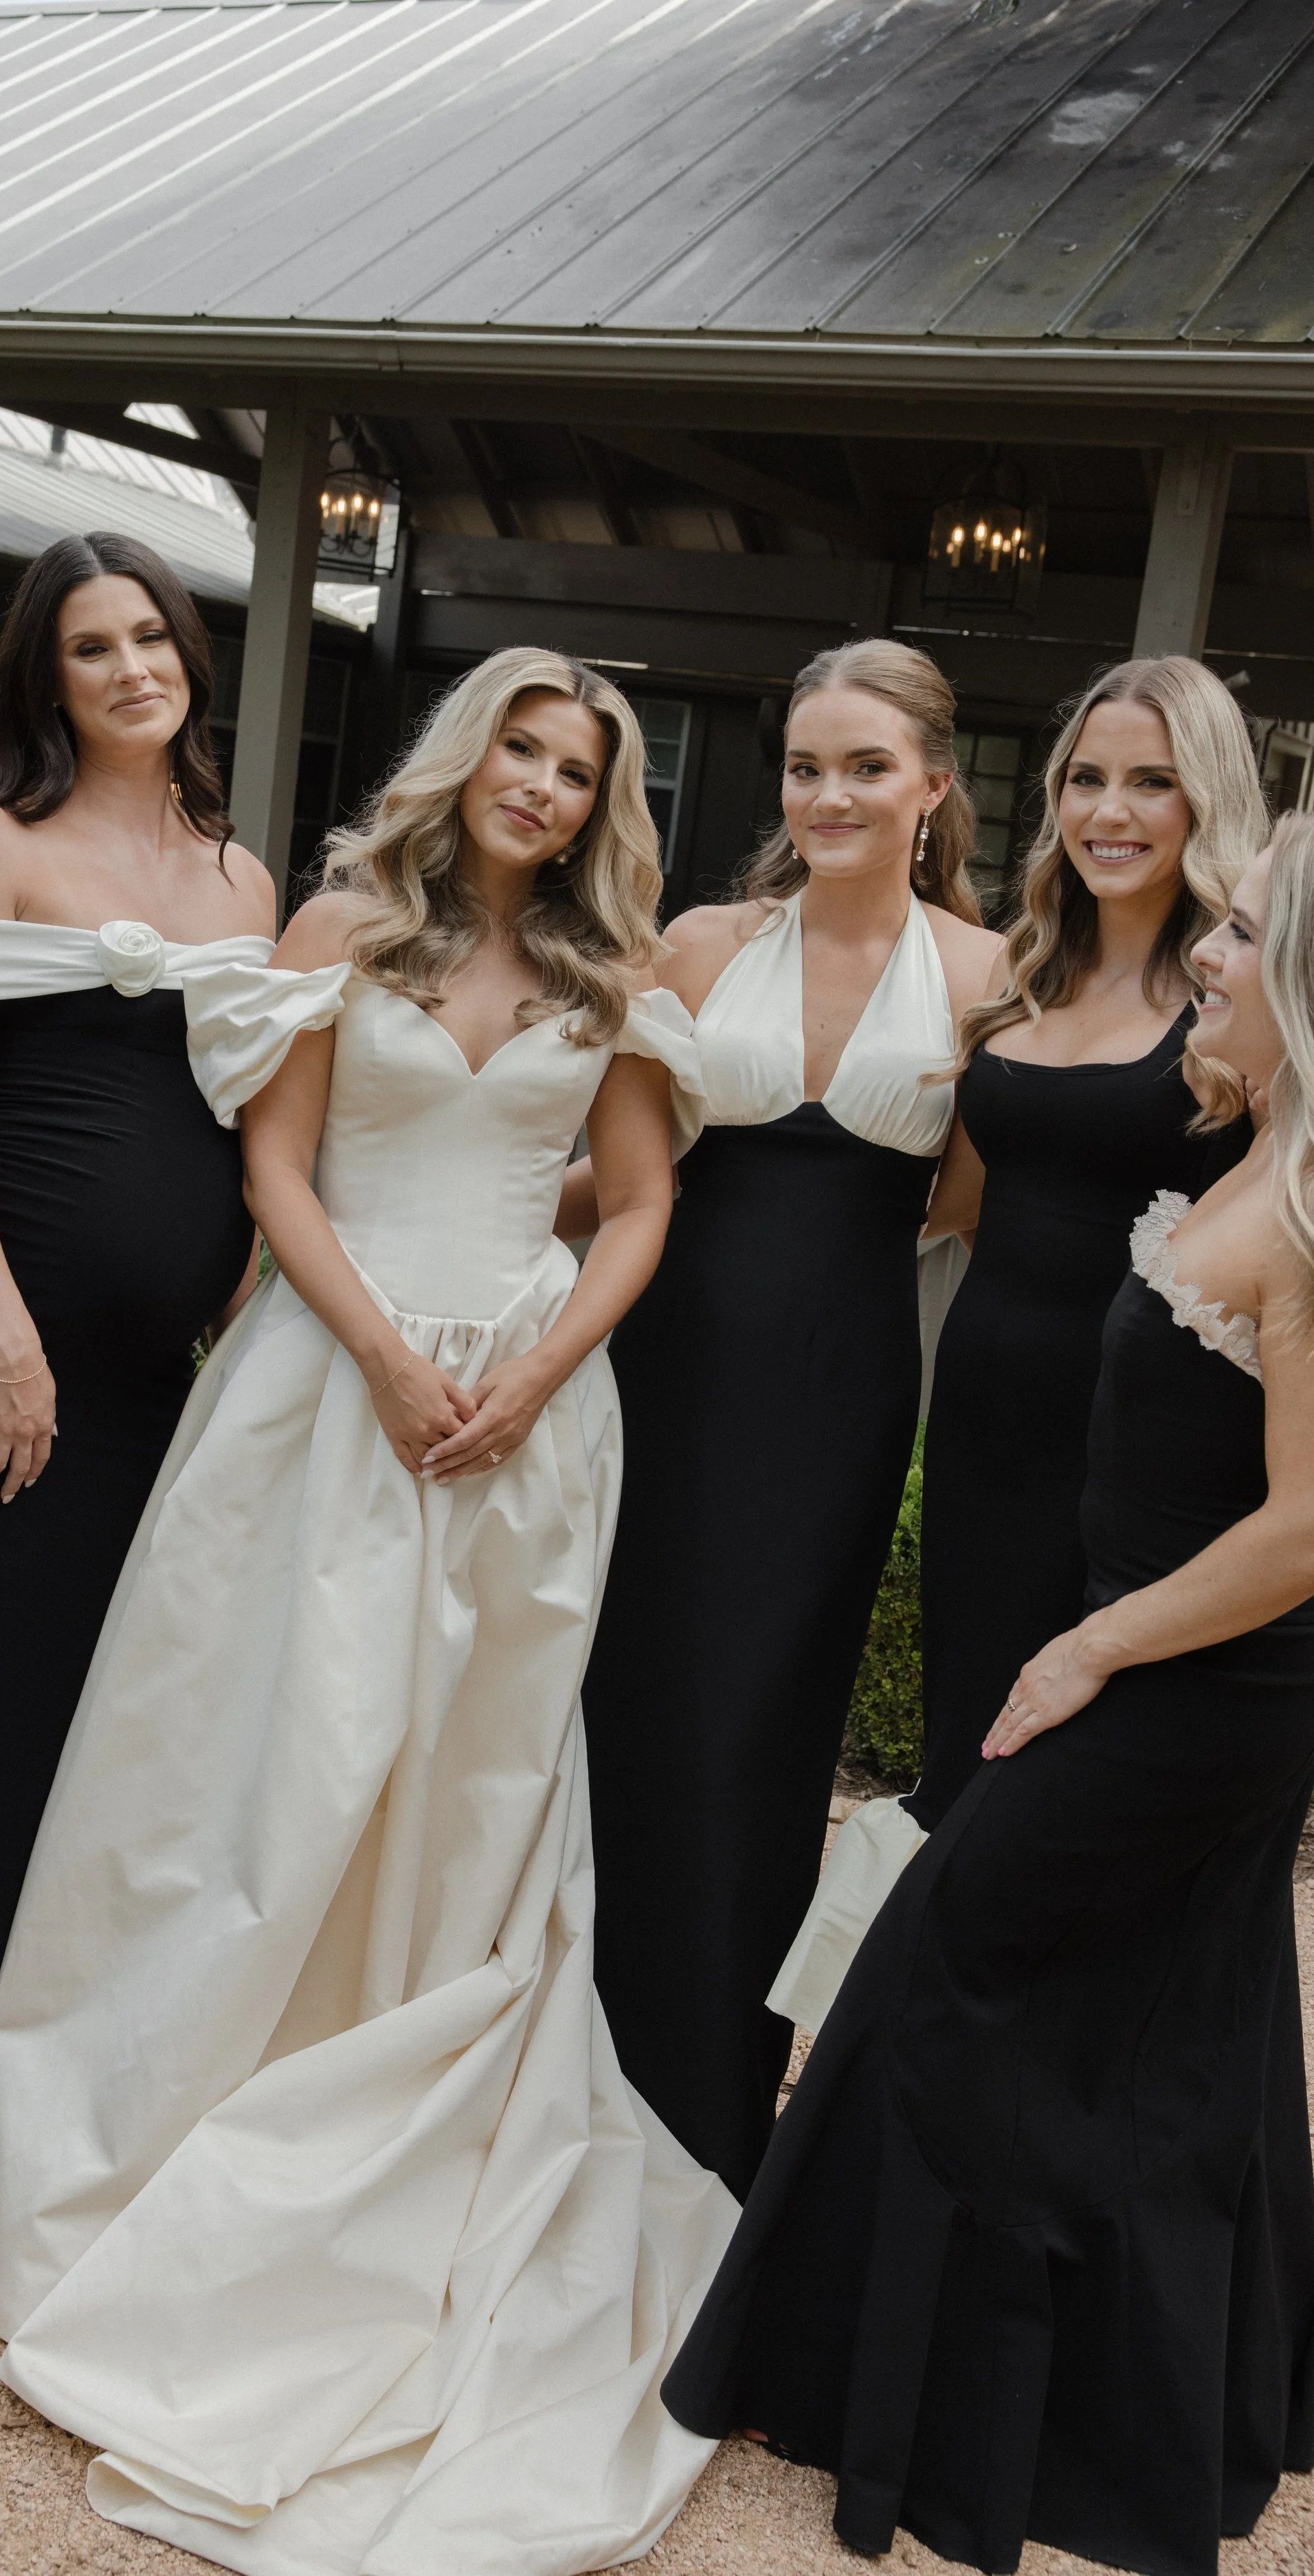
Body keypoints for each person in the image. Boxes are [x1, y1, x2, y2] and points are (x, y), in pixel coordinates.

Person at [0, 647, 735, 2576]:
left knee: (462, 1771)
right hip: (324, 1390)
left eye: (578, 768)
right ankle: (182, 2101)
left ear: (607, 803)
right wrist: (379, 1357)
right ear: (470, 753)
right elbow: (275, 1164)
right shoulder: (342, 917)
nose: (541, 785)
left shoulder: (618, 978)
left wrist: (523, 1381)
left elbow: (638, 1205)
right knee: (263, 1750)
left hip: (523, 1418)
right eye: (520, 747)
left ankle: (405, 2095)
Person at [663, 811, 1314, 2576]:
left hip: (1205, 1679)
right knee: (1130, 2026)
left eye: (1245, 932)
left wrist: (1090, 1643)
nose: (1205, 948)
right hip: (1155, 1649)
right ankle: (1088, 2410)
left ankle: (931, 2414)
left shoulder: (1306, 1216)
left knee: (940, 1965)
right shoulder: (1245, 1148)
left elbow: (1304, 1530)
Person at [569, 638, 1000, 2201]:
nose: (828, 792)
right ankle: (574, 2073)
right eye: (806, 765)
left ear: (931, 786)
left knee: (763, 1735)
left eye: (865, 766)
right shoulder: (694, 942)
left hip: (837, 1390)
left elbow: (960, 1199)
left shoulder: (980, 971)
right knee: (620, 1704)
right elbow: (619, 1176)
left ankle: (709, 2117)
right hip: (661, 1368)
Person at [0, 532, 276, 2108]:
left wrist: (235, 1296)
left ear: (190, 655)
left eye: (152, 638)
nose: (131, 670)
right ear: (46, 672)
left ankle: (55, 2058)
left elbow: (259, 1128)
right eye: (92, 647)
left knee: (118, 1706)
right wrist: (8, 1342)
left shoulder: (243, 876)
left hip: (148, 1375)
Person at [910, 656, 1264, 1831]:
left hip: (1136, 1439)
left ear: (1205, 801)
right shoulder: (1021, 970)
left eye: (1152, 783)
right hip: (979, 1417)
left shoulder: (1236, 1004)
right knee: (967, 1735)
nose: (1109, 814)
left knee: (1069, 1777)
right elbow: (956, 1202)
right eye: (1088, 780)